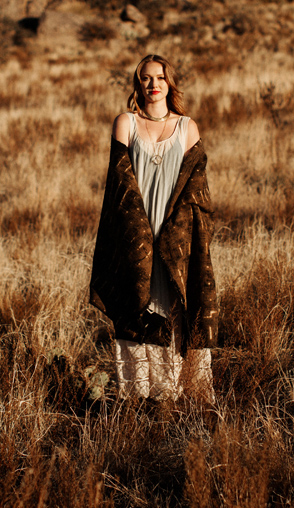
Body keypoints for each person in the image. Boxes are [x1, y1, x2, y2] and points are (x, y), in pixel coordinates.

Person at [89, 54, 217, 401]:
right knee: (137, 304)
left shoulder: (187, 128)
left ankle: (177, 392)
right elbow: (118, 186)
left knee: (175, 305)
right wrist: (137, 233)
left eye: (160, 77)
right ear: (137, 83)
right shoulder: (125, 123)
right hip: (135, 233)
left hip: (174, 235)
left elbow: (197, 192)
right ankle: (140, 392)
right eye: (146, 78)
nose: (153, 84)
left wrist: (178, 235)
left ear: (169, 83)